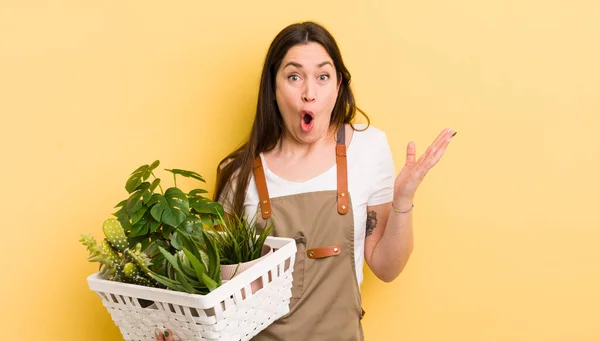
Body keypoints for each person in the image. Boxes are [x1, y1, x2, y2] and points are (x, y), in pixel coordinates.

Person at [155, 21, 455, 341]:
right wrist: (182, 331)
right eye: (294, 77)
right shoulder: (239, 174)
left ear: (338, 86)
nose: (309, 93)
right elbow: (217, 291)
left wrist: (403, 200)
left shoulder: (369, 148)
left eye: (322, 77)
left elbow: (387, 267)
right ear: (273, 87)